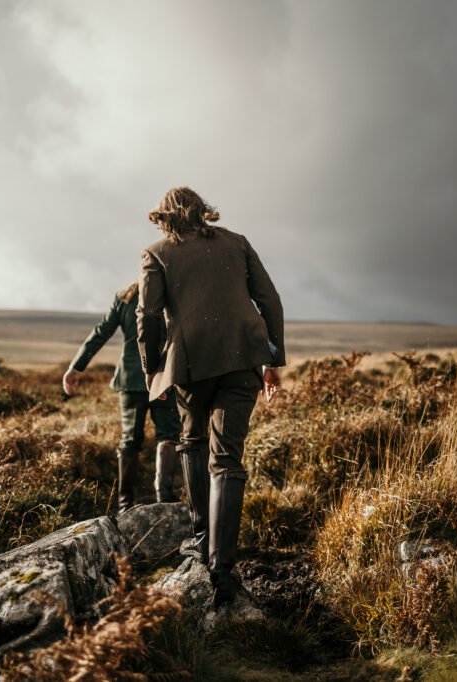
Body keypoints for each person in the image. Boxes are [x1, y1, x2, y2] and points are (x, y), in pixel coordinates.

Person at [137, 186, 284, 608]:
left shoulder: (157, 253)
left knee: (193, 440)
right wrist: (273, 359)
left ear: (164, 217)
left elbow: (148, 316)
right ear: (203, 212)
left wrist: (152, 371)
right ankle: (222, 570)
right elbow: (269, 299)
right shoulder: (237, 243)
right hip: (244, 359)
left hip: (189, 364)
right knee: (228, 458)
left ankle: (202, 541)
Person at [63, 283, 182, 514]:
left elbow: (102, 331)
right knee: (168, 434)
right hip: (163, 375)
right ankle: (164, 496)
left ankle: (125, 504)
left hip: (131, 380)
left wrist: (76, 367)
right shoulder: (172, 292)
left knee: (130, 439)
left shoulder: (126, 298)